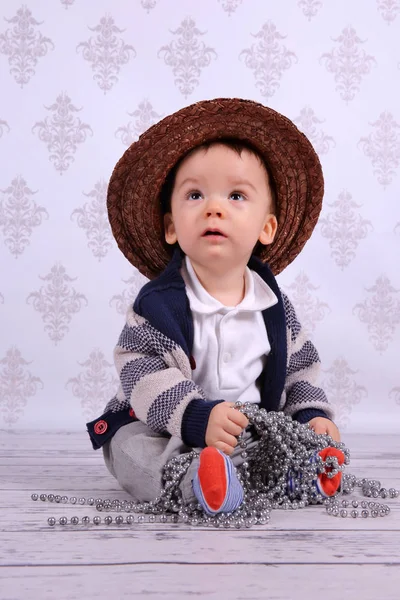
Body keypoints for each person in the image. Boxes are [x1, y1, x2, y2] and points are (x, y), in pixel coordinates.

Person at [87, 98, 342, 516]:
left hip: (249, 429)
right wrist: (195, 418)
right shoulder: (159, 306)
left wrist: (312, 415)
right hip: (167, 426)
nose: (214, 206)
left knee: (283, 443)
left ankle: (304, 470)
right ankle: (193, 482)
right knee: (129, 447)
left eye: (237, 195)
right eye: (195, 194)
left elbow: (300, 369)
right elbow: (140, 372)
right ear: (171, 226)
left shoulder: (274, 307)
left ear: (267, 227)